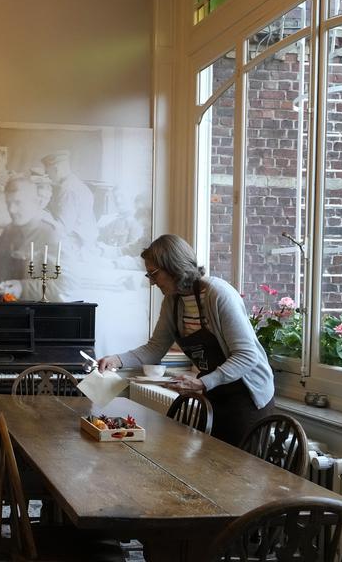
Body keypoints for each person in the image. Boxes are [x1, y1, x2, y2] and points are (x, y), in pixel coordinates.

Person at [96, 234, 275, 446]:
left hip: (248, 396)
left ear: (174, 266)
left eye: (154, 274)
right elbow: (155, 348)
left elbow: (247, 356)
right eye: (148, 276)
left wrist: (202, 382)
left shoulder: (218, 294)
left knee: (238, 471)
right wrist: (116, 359)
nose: (152, 282)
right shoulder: (172, 302)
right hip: (215, 393)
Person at [41, 150, 97, 244]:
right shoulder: (77, 184)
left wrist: (41, 214)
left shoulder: (67, 189)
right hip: (84, 242)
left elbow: (62, 229)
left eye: (48, 172)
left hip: (77, 245)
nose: (48, 176)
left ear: (56, 169)